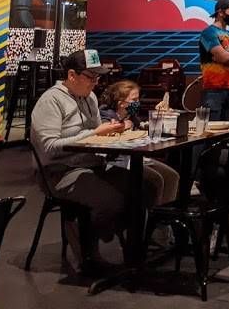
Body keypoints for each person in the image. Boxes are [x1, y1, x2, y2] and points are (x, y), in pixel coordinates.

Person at [31, 50, 167, 273]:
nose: (96, 82)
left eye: (98, 77)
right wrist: (95, 133)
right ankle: (86, 247)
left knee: (146, 186)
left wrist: (114, 132)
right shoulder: (51, 101)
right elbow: (49, 148)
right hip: (58, 172)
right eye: (91, 77)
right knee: (112, 199)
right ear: (72, 75)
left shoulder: (91, 98)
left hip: (92, 164)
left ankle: (133, 249)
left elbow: (97, 136)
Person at [100, 80, 181, 206]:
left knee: (172, 176)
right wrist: (123, 127)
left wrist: (161, 117)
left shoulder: (131, 117)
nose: (138, 103)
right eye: (134, 100)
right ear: (121, 103)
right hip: (115, 161)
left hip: (136, 158)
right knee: (155, 179)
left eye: (138, 99)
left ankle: (166, 214)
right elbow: (108, 138)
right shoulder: (106, 117)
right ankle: (149, 216)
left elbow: (141, 130)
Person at [198, 0, 229, 122]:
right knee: (213, 128)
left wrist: (226, 58)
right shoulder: (208, 33)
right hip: (214, 89)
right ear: (220, 13)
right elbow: (223, 57)